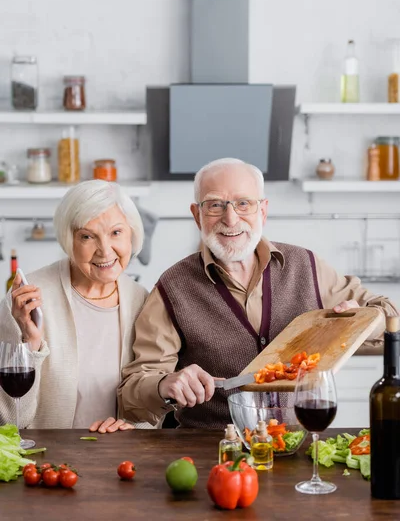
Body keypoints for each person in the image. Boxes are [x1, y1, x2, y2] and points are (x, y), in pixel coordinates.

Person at [118, 157, 398, 430]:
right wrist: (164, 386)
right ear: (197, 214)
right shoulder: (173, 287)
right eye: (215, 205)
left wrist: (365, 320)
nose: (230, 218)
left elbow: (387, 313)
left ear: (262, 211)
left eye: (243, 204)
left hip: (301, 446)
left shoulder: (307, 266)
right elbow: (133, 391)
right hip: (212, 451)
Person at [0, 180, 149, 431]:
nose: (105, 250)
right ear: (69, 241)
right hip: (48, 463)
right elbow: (10, 421)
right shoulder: (27, 300)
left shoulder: (143, 301)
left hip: (121, 460)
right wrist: (30, 342)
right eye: (87, 236)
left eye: (116, 232)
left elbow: (150, 404)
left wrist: (134, 429)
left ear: (132, 235)